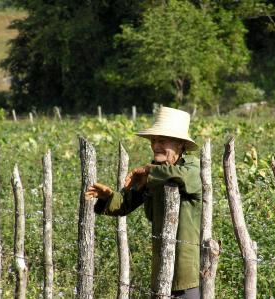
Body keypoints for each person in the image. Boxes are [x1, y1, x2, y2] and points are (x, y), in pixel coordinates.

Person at [85, 107, 202, 298]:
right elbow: (126, 202)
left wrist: (149, 171)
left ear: (180, 145)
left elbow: (186, 178)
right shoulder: (154, 170)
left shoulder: (192, 167)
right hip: (161, 266)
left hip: (188, 271)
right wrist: (108, 197)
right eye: (153, 140)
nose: (155, 145)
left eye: (162, 140)